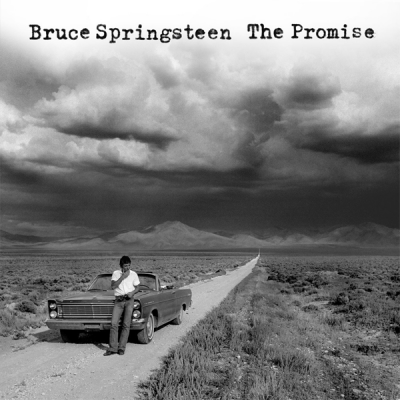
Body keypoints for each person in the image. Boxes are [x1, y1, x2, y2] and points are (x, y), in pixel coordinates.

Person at [104, 255, 140, 356]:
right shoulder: (116, 273)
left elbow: (138, 287)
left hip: (129, 300)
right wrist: (123, 277)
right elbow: (113, 286)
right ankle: (113, 348)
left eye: (129, 265)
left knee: (126, 324)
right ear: (121, 266)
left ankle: (121, 348)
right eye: (125, 266)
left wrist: (132, 293)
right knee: (114, 324)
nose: (127, 268)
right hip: (119, 301)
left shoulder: (134, 274)